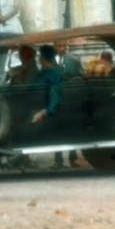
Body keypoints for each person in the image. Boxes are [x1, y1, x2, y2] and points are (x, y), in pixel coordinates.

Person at [53, 39, 84, 168]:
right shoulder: (47, 61)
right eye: (59, 45)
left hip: (70, 100)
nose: (62, 48)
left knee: (72, 130)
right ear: (54, 47)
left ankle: (73, 158)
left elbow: (81, 77)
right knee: (56, 130)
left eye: (64, 45)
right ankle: (58, 160)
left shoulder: (74, 60)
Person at [31, 45, 62, 124]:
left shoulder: (53, 74)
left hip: (43, 113)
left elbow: (55, 96)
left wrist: (44, 112)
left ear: (43, 57)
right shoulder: (43, 72)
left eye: (40, 56)